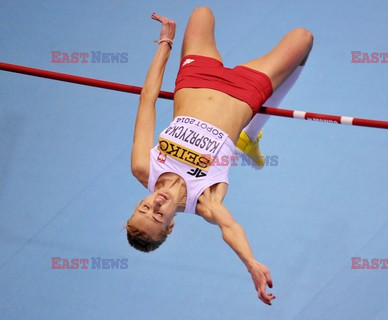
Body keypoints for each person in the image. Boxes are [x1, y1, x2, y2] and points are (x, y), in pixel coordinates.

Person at [127, 7, 313, 305]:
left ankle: (247, 138)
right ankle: (249, 136)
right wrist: (251, 263)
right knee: (303, 39)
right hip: (245, 92)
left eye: (144, 208)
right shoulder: (206, 201)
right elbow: (230, 228)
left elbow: (147, 99)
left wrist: (165, 43)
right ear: (170, 226)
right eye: (158, 216)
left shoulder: (142, 168)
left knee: (202, 12)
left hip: (195, 78)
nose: (155, 205)